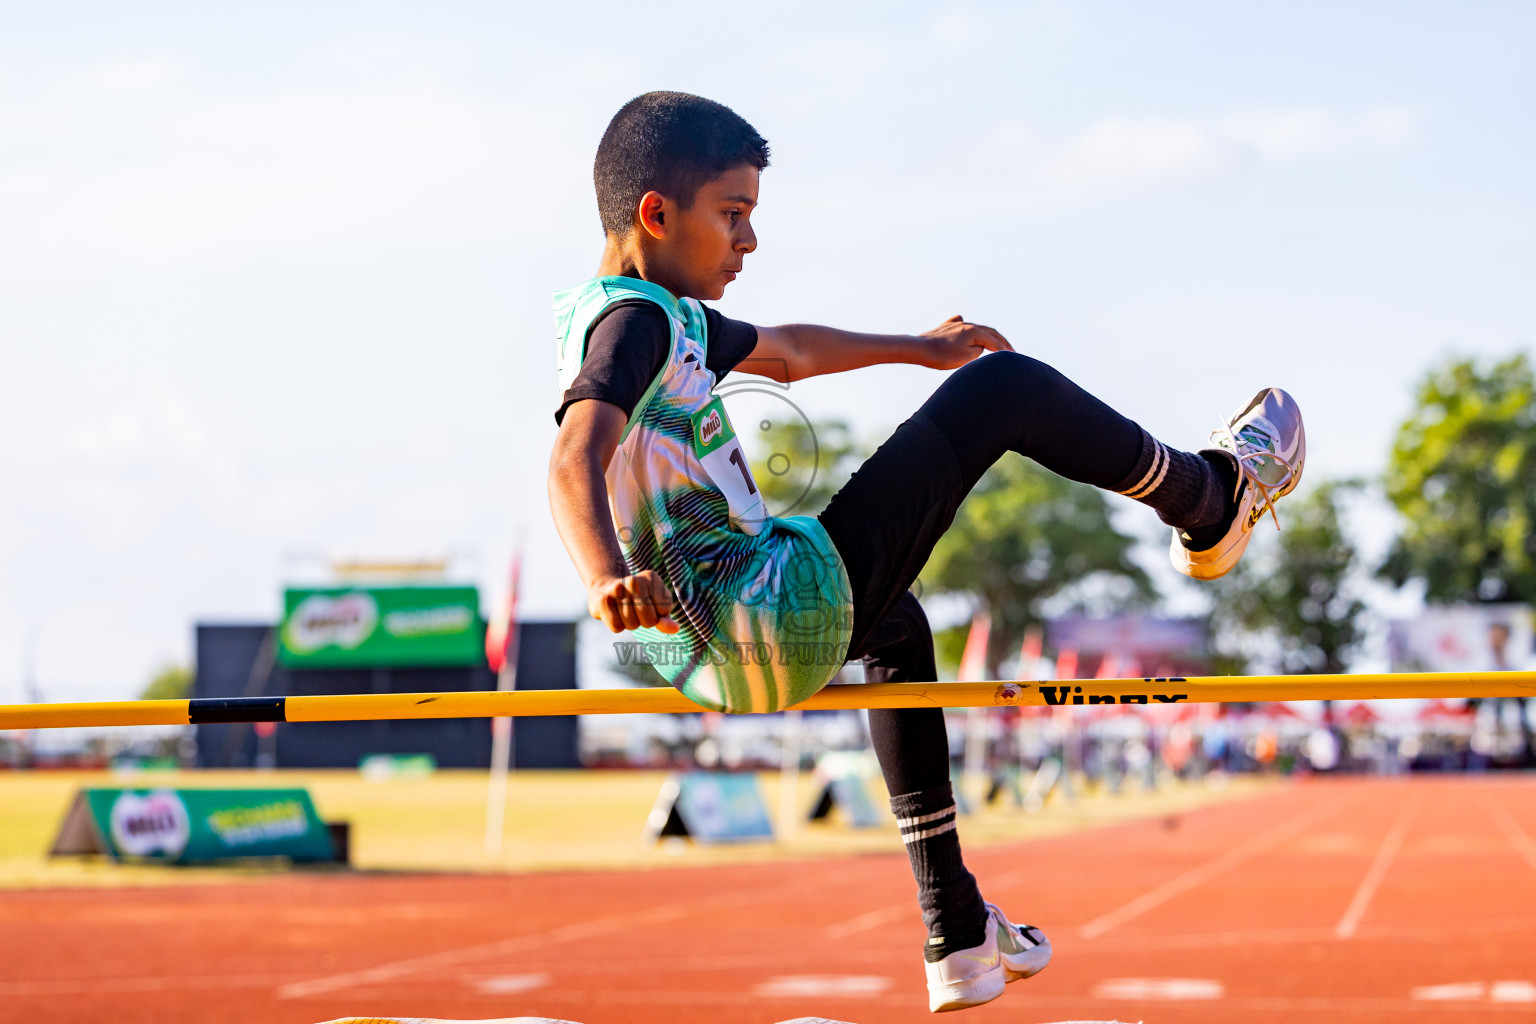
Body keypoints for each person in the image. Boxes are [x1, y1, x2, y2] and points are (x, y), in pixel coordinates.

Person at [547, 91, 1306, 1013]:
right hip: (768, 608)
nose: (749, 243)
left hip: (711, 657)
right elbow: (572, 455)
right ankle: (1209, 498)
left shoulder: (650, 315)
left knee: (897, 628)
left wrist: (918, 347)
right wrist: (601, 579)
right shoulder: (637, 325)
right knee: (1004, 389)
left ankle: (958, 932)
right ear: (656, 214)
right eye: (734, 216)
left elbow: (786, 351)